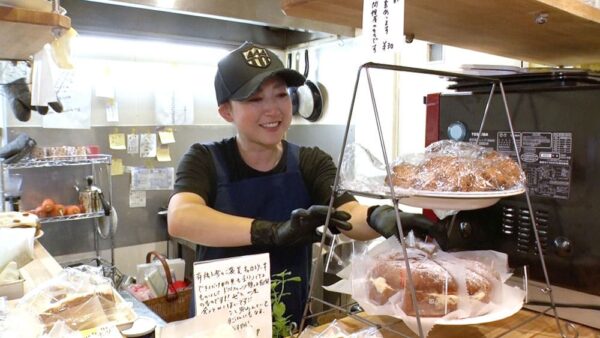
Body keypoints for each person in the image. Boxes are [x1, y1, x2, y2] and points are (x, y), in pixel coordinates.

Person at [167, 41, 438, 326]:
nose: (273, 110)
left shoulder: (310, 161)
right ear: (226, 112)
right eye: (255, 99)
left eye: (281, 95)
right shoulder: (205, 159)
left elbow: (348, 214)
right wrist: (271, 232)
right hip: (220, 325)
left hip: (292, 322)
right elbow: (182, 218)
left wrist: (380, 216)